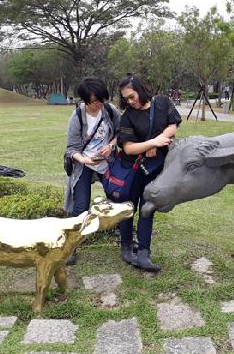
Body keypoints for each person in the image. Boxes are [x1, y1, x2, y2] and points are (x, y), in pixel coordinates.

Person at [117, 76, 181, 272]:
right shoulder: (127, 116)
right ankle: (126, 247)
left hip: (155, 167)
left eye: (132, 96)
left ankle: (144, 252)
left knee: (148, 207)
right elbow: (128, 148)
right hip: (133, 168)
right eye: (126, 99)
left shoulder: (162, 103)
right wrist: (152, 144)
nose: (130, 101)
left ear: (140, 90)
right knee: (129, 207)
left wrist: (160, 138)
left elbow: (174, 124)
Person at [63, 77, 120, 265]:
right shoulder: (78, 116)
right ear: (86, 100)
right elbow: (71, 149)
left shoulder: (110, 110)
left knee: (118, 200)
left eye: (102, 99)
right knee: (80, 207)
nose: (99, 104)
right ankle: (71, 247)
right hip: (84, 165)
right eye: (95, 101)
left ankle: (125, 241)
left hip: (107, 163)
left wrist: (111, 145)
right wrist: (84, 159)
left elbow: (121, 133)